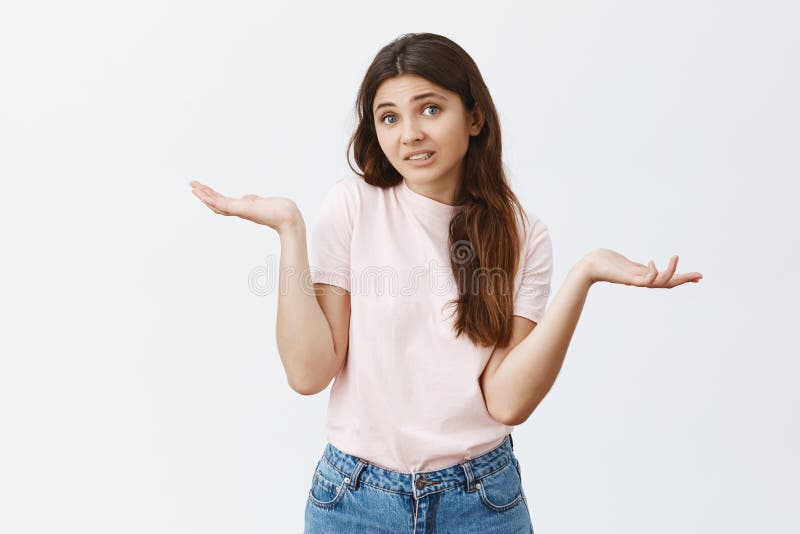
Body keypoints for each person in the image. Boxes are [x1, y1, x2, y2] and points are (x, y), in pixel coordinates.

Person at [188, 32, 702, 534]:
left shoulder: (523, 236)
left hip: (480, 501)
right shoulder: (353, 206)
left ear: (474, 117)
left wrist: (584, 274)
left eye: (430, 109)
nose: (409, 133)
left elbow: (506, 403)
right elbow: (308, 373)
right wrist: (289, 229)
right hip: (353, 500)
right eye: (389, 117)